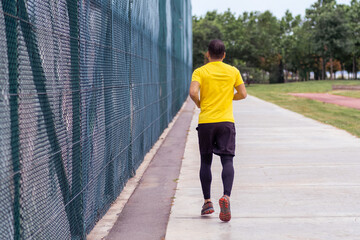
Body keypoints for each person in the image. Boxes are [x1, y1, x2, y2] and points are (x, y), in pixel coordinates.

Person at [189, 39, 247, 222]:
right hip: (226, 122)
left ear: (208, 54)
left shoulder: (200, 71)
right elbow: (243, 94)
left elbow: (192, 92)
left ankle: (207, 202)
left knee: (206, 162)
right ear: (224, 55)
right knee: (227, 161)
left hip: (206, 122)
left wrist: (201, 104)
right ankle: (226, 196)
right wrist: (229, 97)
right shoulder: (233, 71)